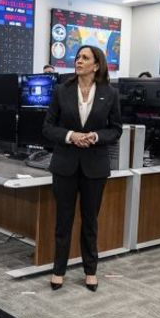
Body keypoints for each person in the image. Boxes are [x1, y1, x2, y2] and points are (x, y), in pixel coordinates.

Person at [43, 45, 122, 291]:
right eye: (78, 57)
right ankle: (58, 270)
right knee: (63, 220)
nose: (78, 61)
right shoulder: (61, 90)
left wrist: (96, 136)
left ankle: (90, 270)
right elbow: (48, 127)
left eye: (84, 58)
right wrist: (70, 135)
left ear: (96, 65)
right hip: (65, 164)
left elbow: (115, 129)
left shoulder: (110, 93)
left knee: (90, 221)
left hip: (94, 167)